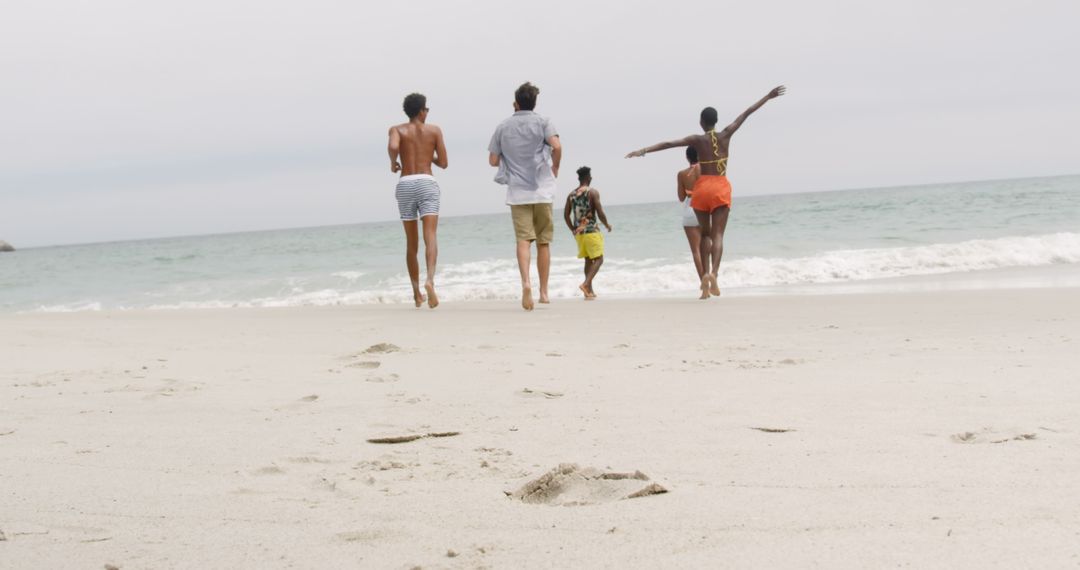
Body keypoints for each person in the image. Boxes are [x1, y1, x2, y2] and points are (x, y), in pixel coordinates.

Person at [626, 85, 785, 299]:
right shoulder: (727, 133)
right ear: (716, 121)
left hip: (701, 190)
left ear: (701, 122)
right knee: (718, 235)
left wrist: (643, 151)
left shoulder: (697, 140)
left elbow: (669, 143)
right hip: (720, 186)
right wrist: (768, 96)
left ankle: (703, 279)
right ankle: (714, 274)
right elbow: (747, 112)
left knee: (705, 236)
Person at [488, 82, 562, 311]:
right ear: (535, 103)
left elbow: (492, 160)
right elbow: (557, 146)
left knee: (523, 240)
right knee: (543, 242)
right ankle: (544, 292)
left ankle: (526, 283)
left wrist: (510, 159)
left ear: (515, 103)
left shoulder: (502, 126)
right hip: (542, 190)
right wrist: (555, 168)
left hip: (518, 193)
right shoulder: (543, 122)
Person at [388, 92, 448, 308]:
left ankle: (416, 293)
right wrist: (427, 154)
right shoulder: (434, 131)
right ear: (422, 111)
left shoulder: (397, 130)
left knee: (411, 242)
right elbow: (443, 162)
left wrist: (394, 161)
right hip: (426, 181)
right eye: (427, 110)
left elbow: (394, 146)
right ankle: (430, 281)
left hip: (405, 183)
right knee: (430, 236)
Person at [563, 166, 612, 300]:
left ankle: (589, 290)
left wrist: (573, 229)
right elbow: (600, 212)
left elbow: (566, 215)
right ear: (588, 178)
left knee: (588, 260)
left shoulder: (571, 194)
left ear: (579, 178)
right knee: (599, 259)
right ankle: (585, 284)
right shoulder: (592, 192)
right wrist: (607, 225)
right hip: (591, 231)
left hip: (579, 234)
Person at [677, 147, 705, 288]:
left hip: (689, 208)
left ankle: (703, 282)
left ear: (687, 158)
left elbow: (681, 198)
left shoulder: (682, 174)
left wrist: (689, 190)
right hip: (704, 208)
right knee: (707, 247)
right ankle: (711, 276)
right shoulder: (706, 170)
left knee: (695, 251)